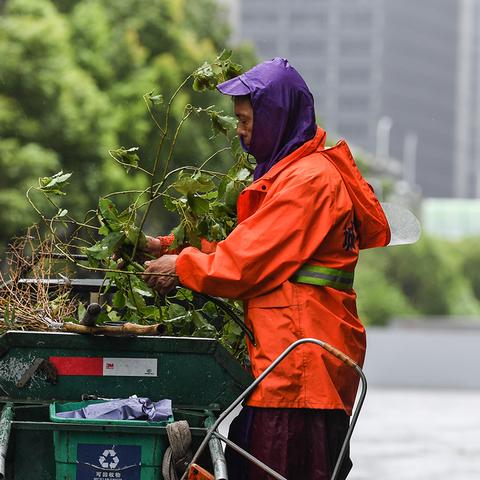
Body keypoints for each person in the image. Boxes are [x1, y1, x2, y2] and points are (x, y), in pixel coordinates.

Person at [143, 58, 390, 480]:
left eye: (245, 119)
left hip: (299, 375)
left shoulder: (309, 181)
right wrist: (164, 246)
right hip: (290, 369)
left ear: (276, 117)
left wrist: (180, 266)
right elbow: (243, 244)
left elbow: (245, 263)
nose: (239, 130)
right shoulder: (289, 174)